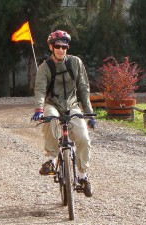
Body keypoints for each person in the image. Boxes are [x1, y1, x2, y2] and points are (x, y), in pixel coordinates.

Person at [31, 30, 96, 197]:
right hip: (53, 103)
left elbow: (83, 88)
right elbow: (40, 90)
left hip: (72, 105)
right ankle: (51, 160)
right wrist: (39, 109)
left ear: (67, 47)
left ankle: (83, 177)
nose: (61, 49)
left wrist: (88, 113)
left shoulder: (75, 62)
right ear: (51, 47)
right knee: (50, 120)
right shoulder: (44, 67)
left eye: (64, 46)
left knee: (83, 138)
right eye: (58, 46)